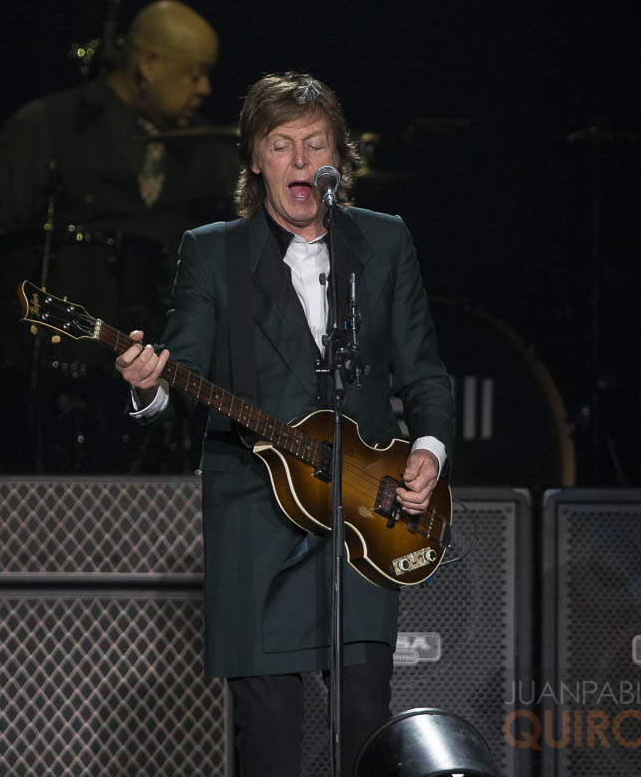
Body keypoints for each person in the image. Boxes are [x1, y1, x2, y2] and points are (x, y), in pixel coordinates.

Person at [115, 72, 455, 776]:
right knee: (268, 738)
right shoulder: (213, 252)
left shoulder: (384, 241)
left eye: (315, 144)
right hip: (255, 518)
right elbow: (180, 370)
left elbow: (423, 369)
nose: (300, 161)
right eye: (281, 145)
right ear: (254, 159)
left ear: (338, 158)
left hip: (365, 514)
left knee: (365, 725)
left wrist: (428, 450)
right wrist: (150, 385)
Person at [0, 0, 240, 472]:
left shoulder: (210, 150)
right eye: (195, 74)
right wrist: (32, 296)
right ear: (149, 64)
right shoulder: (50, 125)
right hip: (57, 366)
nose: (205, 89)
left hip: (173, 369)